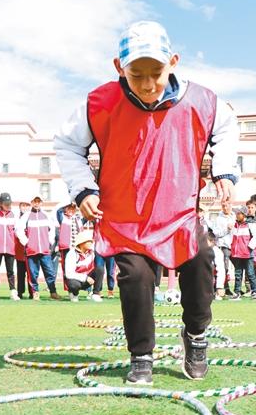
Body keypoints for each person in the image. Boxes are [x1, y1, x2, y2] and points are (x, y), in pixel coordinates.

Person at [55, 20, 238, 385]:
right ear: (119, 67)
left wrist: (224, 172)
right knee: (136, 277)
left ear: (173, 62)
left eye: (156, 72)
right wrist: (84, 190)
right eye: (137, 75)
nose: (148, 84)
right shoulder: (99, 103)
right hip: (126, 218)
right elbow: (66, 144)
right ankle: (141, 355)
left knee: (201, 261)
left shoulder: (203, 101)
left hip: (180, 213)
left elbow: (227, 128)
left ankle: (196, 335)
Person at [15, 196, 60, 300]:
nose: (36, 203)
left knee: (50, 272)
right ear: (31, 203)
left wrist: (49, 242)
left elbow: (52, 230)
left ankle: (53, 292)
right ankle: (35, 292)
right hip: (31, 251)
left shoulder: (46, 215)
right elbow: (19, 230)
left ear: (41, 203)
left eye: (38, 201)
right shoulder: (26, 216)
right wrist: (26, 242)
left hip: (45, 250)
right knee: (33, 273)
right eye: (34, 201)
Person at [230, 208, 256, 300]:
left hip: (247, 253)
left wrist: (250, 246)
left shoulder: (250, 224)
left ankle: (255, 292)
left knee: (250, 273)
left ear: (243, 214)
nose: (236, 215)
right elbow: (233, 238)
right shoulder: (235, 225)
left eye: (238, 213)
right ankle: (237, 292)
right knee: (238, 274)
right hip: (237, 254)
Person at [64, 229, 102, 302]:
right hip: (76, 280)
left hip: (88, 279)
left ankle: (96, 294)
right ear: (81, 243)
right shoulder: (72, 254)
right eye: (88, 241)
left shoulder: (92, 252)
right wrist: (85, 278)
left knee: (100, 269)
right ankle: (74, 293)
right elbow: (69, 274)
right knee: (73, 285)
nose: (91, 243)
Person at [210, 199, 235, 296]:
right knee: (224, 268)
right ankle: (223, 288)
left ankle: (238, 289)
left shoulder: (235, 216)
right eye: (223, 206)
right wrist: (226, 229)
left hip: (235, 245)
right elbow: (216, 233)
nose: (225, 208)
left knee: (238, 268)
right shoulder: (218, 219)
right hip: (224, 245)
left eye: (226, 205)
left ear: (231, 205)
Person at [14, 201, 31, 299]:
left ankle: (32, 292)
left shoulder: (32, 217)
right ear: (20, 207)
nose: (25, 208)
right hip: (19, 249)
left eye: (27, 206)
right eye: (23, 205)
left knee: (31, 273)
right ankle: (20, 292)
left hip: (31, 250)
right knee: (20, 273)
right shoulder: (16, 218)